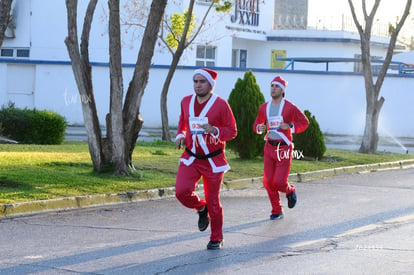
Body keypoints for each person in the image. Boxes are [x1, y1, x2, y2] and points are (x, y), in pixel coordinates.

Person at [175, 68, 237, 250]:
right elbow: (182, 124)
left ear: (210, 84)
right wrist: (180, 135)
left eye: (202, 81)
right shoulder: (186, 101)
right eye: (195, 81)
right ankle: (202, 208)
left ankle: (216, 237)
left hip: (213, 161)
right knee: (181, 191)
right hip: (191, 157)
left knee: (214, 201)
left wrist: (215, 130)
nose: (198, 85)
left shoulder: (221, 104)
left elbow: (232, 131)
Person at [253, 75, 309, 220]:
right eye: (272, 86)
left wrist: (290, 126)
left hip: (284, 148)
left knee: (278, 182)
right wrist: (259, 127)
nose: (273, 88)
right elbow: (257, 125)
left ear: (282, 90)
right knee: (267, 181)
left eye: (276, 86)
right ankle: (277, 210)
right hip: (269, 147)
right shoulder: (264, 107)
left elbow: (304, 122)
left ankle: (290, 190)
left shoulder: (290, 107)